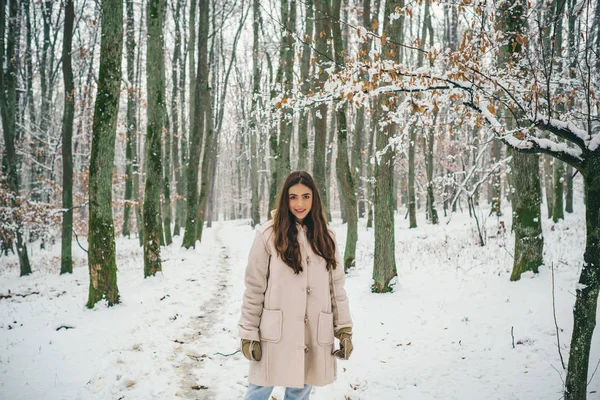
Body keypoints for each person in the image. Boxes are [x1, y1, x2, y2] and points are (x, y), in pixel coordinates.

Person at [238, 171, 354, 400]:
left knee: (300, 392)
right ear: (285, 199)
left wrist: (344, 329)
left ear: (314, 199)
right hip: (274, 332)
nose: (299, 203)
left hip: (312, 332)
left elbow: (336, 288)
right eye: (293, 197)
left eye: (305, 196)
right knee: (258, 391)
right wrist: (248, 333)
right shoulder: (268, 235)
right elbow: (254, 288)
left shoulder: (327, 237)